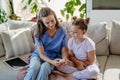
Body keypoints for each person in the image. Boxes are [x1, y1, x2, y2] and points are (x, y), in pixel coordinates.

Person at [24, 7, 68, 80]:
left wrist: (64, 59)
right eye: (47, 23)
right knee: (35, 67)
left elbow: (64, 49)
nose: (51, 24)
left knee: (45, 67)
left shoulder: (62, 31)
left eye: (52, 21)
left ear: (55, 18)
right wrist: (52, 62)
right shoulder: (38, 33)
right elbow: (41, 54)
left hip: (53, 57)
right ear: (42, 22)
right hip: (38, 55)